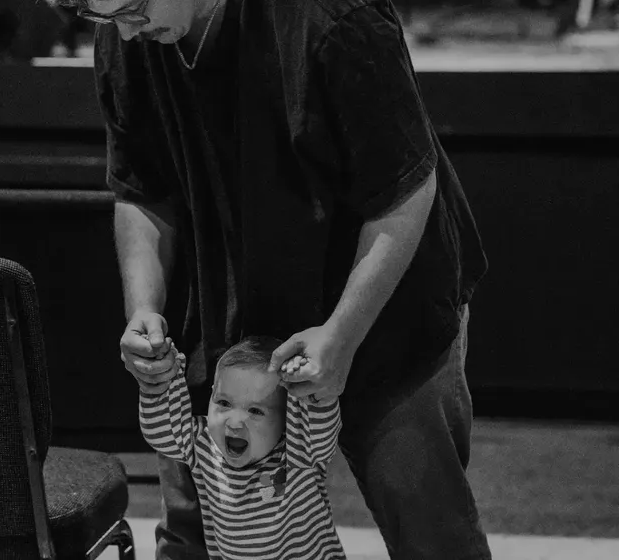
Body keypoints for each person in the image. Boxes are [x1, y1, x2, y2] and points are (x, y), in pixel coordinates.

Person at [64, 0, 493, 556]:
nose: (124, 29)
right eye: (102, 17)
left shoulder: (331, 15)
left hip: (383, 304)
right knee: (197, 536)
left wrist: (342, 334)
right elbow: (142, 190)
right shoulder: (124, 30)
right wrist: (144, 309)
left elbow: (405, 192)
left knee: (428, 528)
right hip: (228, 313)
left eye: (133, 7)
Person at [138, 336, 345, 559]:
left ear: (286, 420)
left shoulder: (298, 452)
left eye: (256, 411)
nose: (235, 422)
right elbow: (162, 434)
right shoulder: (204, 446)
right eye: (224, 403)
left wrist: (315, 391)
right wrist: (164, 380)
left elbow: (322, 438)